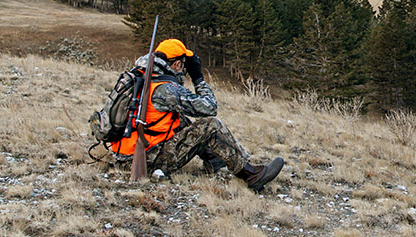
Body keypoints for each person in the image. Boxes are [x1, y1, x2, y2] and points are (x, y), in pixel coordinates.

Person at [108, 38, 284, 192]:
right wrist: (198, 77)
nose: (185, 68)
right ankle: (250, 174)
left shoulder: (138, 76)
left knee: (181, 120)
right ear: (176, 64)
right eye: (184, 64)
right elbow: (209, 108)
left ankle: (214, 160)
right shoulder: (164, 88)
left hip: (122, 154)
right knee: (210, 126)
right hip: (144, 160)